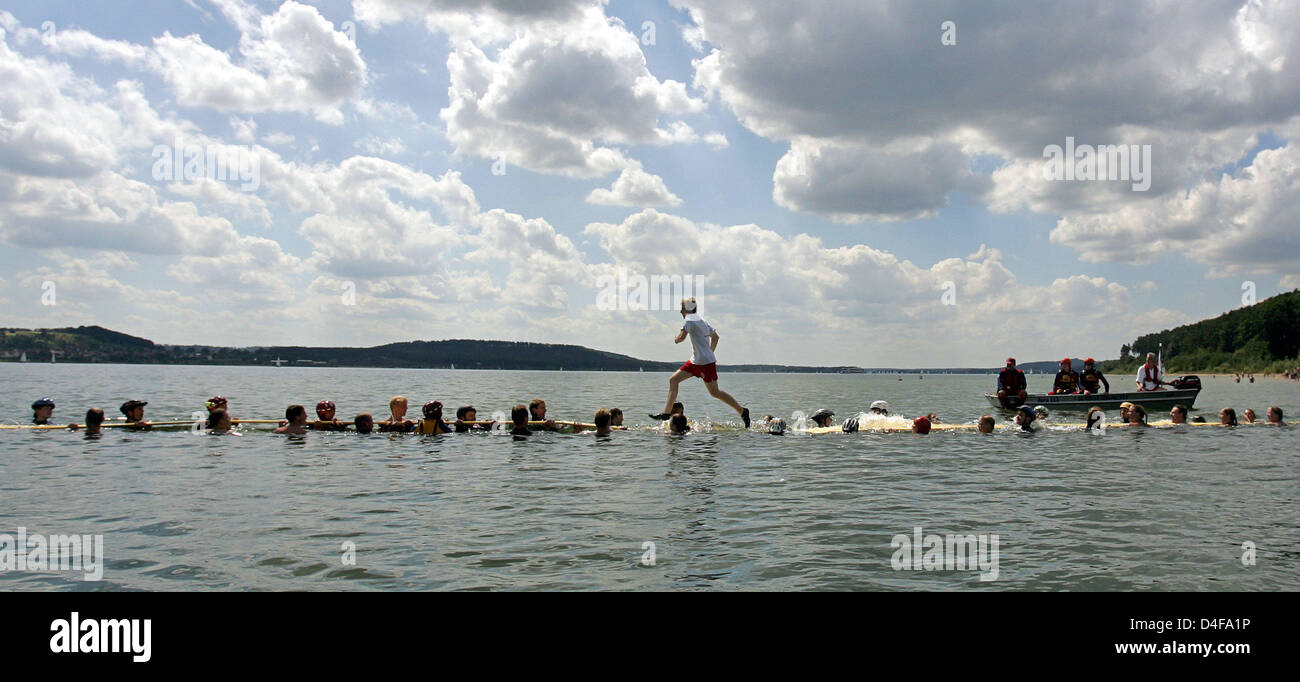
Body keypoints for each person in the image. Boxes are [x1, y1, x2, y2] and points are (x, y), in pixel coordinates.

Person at [652, 297, 750, 428]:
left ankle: (742, 411)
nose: (680, 312)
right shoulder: (702, 320)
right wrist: (710, 352)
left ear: (687, 309)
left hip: (704, 363)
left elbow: (681, 338)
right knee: (673, 380)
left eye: (682, 308)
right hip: (696, 361)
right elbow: (716, 337)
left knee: (715, 392)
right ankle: (666, 413)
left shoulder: (690, 320)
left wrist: (675, 339)